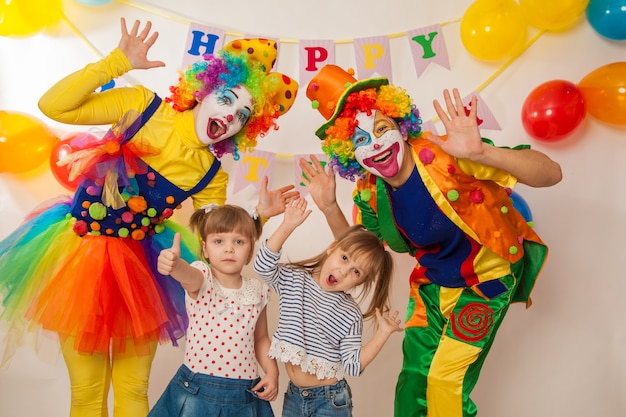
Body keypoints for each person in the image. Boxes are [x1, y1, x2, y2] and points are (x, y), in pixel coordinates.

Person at [0, 18, 298, 417]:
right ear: (204, 90)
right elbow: (52, 106)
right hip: (78, 261)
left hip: (142, 273)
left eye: (243, 115)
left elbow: (219, 241)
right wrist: (116, 62)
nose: (230, 117)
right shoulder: (142, 105)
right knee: (87, 390)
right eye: (226, 99)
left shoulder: (211, 175)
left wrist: (259, 216)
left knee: (132, 390)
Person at [299, 64, 563, 417]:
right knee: (413, 386)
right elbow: (361, 252)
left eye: (381, 129)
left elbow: (551, 173)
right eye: (360, 140)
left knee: (445, 382)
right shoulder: (370, 192)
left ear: (401, 126)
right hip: (431, 288)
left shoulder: (447, 154)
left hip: (487, 281)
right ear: (351, 154)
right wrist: (330, 206)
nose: (375, 144)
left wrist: (482, 153)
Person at [253, 197, 403, 417]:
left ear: (359, 282)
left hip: (331, 399)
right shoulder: (295, 280)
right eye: (344, 258)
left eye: (356, 272)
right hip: (294, 395)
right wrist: (287, 226)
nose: (343, 271)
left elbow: (352, 366)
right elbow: (262, 267)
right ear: (332, 248)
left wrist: (383, 333)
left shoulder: (349, 313)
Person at [149, 204, 277, 417]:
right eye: (219, 241)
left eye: (239, 241)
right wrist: (175, 265)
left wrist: (272, 372)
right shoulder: (203, 278)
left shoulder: (258, 290)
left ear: (250, 251)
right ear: (205, 249)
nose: (229, 249)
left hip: (244, 394)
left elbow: (261, 338)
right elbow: (187, 275)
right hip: (198, 391)